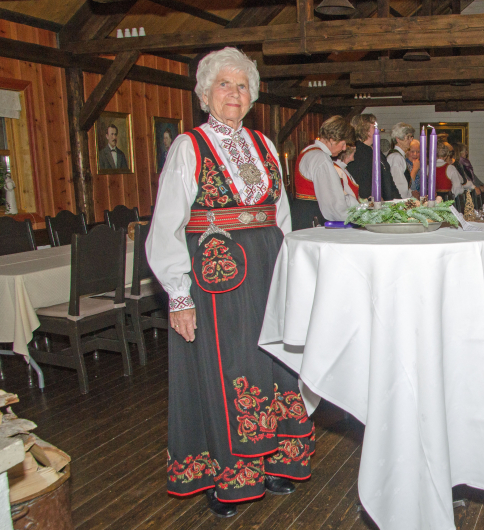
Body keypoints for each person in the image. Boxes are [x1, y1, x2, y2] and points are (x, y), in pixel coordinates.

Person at [146, 47, 314, 518]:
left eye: (242, 85)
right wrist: (178, 294)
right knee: (230, 370)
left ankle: (278, 458)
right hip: (218, 279)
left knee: (275, 361)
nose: (234, 93)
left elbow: (281, 216)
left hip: (268, 269)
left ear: (253, 95)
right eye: (224, 84)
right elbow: (166, 227)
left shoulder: (264, 146)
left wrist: (294, 270)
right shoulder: (189, 147)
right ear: (204, 93)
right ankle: (230, 475)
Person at [292, 115, 357, 228]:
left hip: (301, 214)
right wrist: (354, 219)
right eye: (343, 143)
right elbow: (332, 201)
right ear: (332, 139)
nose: (344, 148)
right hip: (313, 217)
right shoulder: (321, 158)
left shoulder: (308, 151)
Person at [346, 114, 399, 201]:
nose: (377, 129)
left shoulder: (376, 149)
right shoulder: (358, 152)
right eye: (374, 126)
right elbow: (361, 181)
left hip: (387, 200)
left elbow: (387, 178)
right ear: (365, 129)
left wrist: (397, 200)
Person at [453, 142, 484, 209]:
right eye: (465, 151)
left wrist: (481, 184)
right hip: (467, 190)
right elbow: (465, 179)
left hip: (471, 188)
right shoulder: (459, 164)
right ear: (460, 152)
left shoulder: (466, 163)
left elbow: (473, 176)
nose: (466, 153)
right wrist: (475, 187)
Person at [386, 122, 414, 199]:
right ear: (398, 139)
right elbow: (400, 187)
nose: (411, 140)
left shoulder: (398, 156)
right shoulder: (396, 158)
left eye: (411, 137)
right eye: (408, 137)